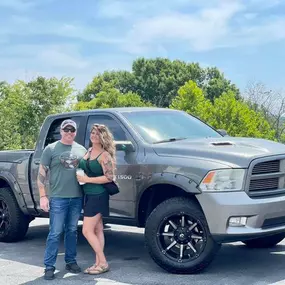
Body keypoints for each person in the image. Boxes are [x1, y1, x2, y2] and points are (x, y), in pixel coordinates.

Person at [37, 119, 87, 280]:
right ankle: (49, 266)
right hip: (58, 198)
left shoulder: (81, 150)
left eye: (72, 130)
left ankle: (71, 261)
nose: (69, 133)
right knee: (55, 232)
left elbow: (85, 172)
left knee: (72, 231)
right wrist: (43, 196)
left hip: (76, 197)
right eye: (66, 130)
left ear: (75, 132)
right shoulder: (51, 149)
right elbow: (41, 173)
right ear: (61, 131)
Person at [76, 123, 116, 275]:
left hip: (98, 195)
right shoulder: (89, 150)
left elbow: (109, 177)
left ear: (103, 137)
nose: (94, 135)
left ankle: (103, 262)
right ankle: (98, 262)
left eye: (97, 134)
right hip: (88, 194)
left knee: (86, 230)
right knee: (98, 229)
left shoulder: (104, 155)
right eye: (92, 133)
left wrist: (87, 179)